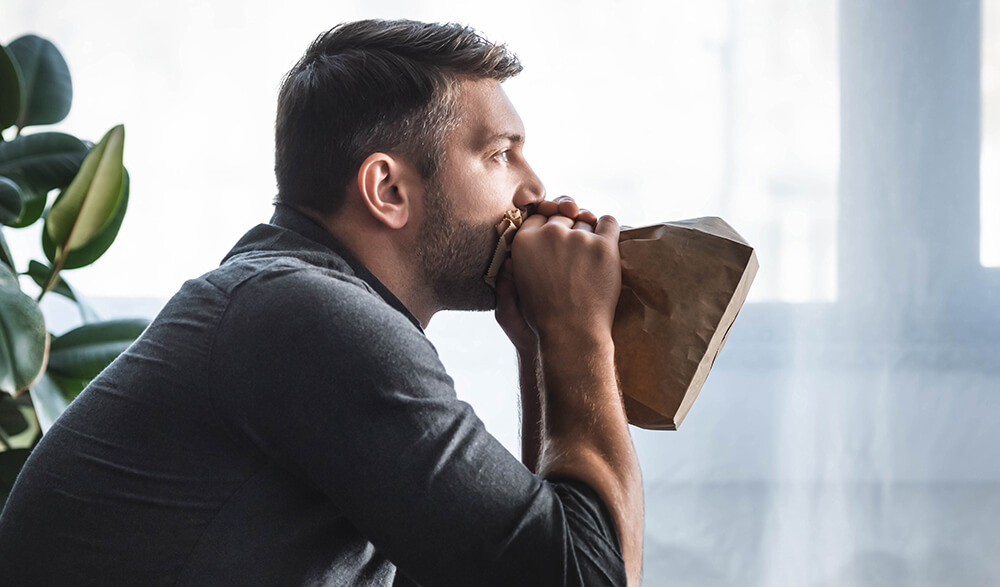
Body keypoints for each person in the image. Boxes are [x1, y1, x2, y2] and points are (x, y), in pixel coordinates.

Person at [0, 19, 643, 586]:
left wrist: (537, 346)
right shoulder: (306, 317)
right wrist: (578, 329)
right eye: (500, 154)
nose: (535, 188)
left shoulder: (285, 305)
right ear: (387, 189)